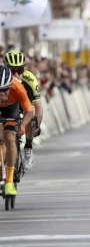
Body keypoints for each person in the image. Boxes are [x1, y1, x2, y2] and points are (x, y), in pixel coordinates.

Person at [3, 51, 43, 170]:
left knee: (32, 118)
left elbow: (38, 108)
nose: (16, 74)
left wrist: (37, 125)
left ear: (23, 69)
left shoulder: (29, 78)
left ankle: (28, 148)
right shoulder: (2, 77)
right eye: (12, 71)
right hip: (8, 104)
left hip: (25, 102)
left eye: (19, 70)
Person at [0, 65, 33, 195]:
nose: (2, 94)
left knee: (10, 137)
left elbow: (29, 111)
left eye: (5, 90)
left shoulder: (17, 87)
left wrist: (22, 126)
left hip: (11, 109)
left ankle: (9, 182)